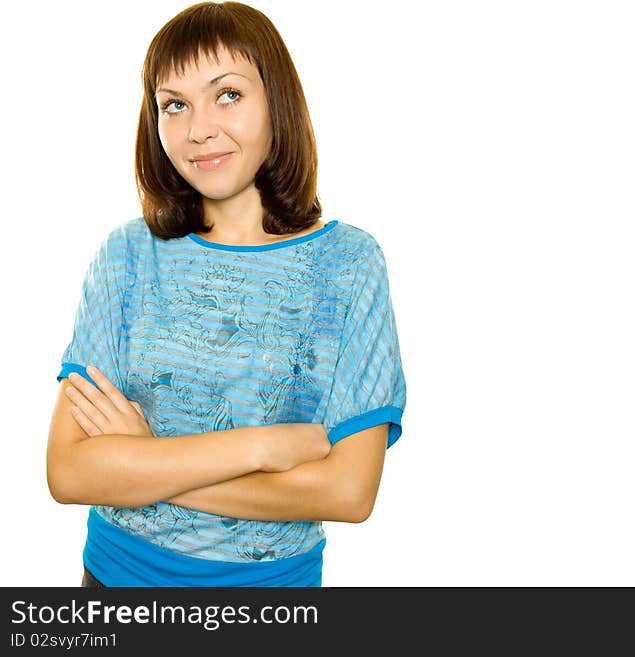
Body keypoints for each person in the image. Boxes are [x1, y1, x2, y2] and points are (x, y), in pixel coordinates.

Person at [46, 1, 406, 587]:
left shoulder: (348, 266)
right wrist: (262, 447)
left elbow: (348, 491)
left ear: (276, 101)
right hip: (115, 585)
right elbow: (70, 472)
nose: (198, 129)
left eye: (228, 94)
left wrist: (145, 459)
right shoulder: (128, 255)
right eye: (175, 105)